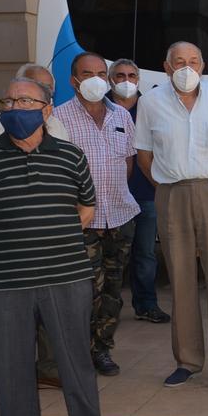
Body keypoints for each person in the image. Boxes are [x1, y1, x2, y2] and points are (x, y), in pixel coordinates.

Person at [0, 76, 127, 416]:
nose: (16, 108)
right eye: (10, 100)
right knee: (12, 365)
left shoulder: (69, 156)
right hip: (4, 282)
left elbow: (87, 207)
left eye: (26, 101)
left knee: (75, 361)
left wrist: (54, 238)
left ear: (47, 109)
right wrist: (7, 241)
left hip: (65, 277)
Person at [134, 41, 208, 390]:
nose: (186, 67)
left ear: (203, 66)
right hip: (171, 193)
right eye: (179, 61)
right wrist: (166, 185)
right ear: (166, 67)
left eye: (193, 61)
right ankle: (187, 360)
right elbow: (144, 155)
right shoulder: (150, 102)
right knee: (180, 278)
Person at [53, 52, 140, 376]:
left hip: (119, 217)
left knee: (112, 293)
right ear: (74, 80)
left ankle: (101, 350)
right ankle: (76, 354)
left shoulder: (122, 116)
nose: (95, 79)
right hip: (81, 222)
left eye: (101, 73)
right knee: (83, 292)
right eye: (86, 73)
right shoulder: (58, 119)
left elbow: (127, 165)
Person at [0, 63, 70, 387]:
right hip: (17, 242)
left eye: (48, 89)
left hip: (53, 239)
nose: (40, 95)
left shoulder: (58, 124)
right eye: (35, 88)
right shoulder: (0, 127)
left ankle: (50, 368)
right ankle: (19, 373)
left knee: (53, 311)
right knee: (19, 315)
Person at [108, 58, 171, 324]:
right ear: (111, 79)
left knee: (145, 253)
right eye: (120, 75)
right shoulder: (100, 108)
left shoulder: (150, 106)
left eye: (131, 75)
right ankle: (106, 310)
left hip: (146, 193)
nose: (126, 81)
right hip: (111, 196)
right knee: (113, 256)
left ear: (138, 79)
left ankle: (146, 305)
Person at [0, 64, 69, 141]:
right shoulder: (0, 124)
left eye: (48, 87)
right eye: (39, 85)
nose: (45, 92)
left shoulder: (56, 124)